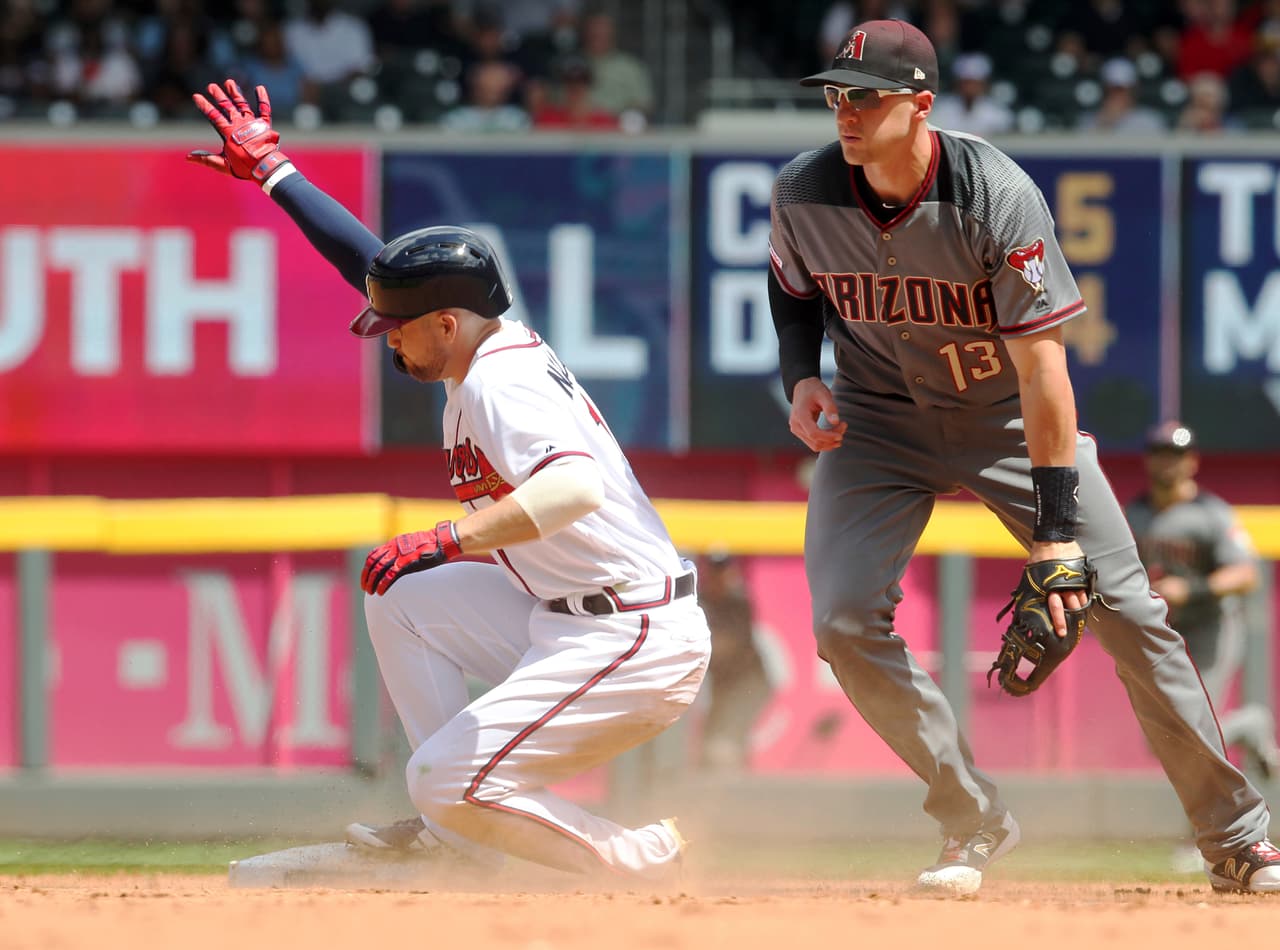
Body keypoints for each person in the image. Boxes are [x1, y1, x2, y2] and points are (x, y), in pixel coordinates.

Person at [767, 18, 1280, 896]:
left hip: (1003, 413)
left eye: (867, 96)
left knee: (1126, 612)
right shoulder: (804, 190)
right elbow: (792, 289)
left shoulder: (991, 192)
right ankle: (971, 819)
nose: (845, 112)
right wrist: (799, 378)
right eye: (835, 95)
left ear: (921, 104)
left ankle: (1237, 838)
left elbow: (1044, 370)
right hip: (878, 420)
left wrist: (1054, 536)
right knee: (843, 623)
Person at [186, 79, 710, 881]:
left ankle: (638, 858)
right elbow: (370, 262)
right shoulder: (475, 340)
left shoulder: (504, 384)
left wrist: (449, 536)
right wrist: (274, 173)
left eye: (396, 330)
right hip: (563, 618)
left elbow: (575, 491)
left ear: (445, 323)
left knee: (440, 779)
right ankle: (459, 834)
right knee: (402, 595)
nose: (386, 342)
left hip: (633, 639)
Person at [1126, 422, 1279, 778]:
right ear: (1148, 461)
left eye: (1176, 455)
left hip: (1211, 629)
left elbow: (1246, 573)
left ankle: (1253, 725)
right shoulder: (1135, 513)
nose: (1168, 463)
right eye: (1161, 455)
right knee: (1160, 741)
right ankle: (1248, 726)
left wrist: (1192, 589)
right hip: (1164, 636)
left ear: (1192, 461)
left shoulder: (1211, 513)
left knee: (1193, 735)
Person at [695, 551, 772, 771]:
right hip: (724, 685)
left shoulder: (739, 603)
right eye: (714, 570)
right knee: (713, 740)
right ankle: (714, 795)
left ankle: (733, 796)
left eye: (723, 570)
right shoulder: (700, 601)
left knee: (725, 743)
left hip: (750, 682)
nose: (719, 576)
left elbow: (730, 646)